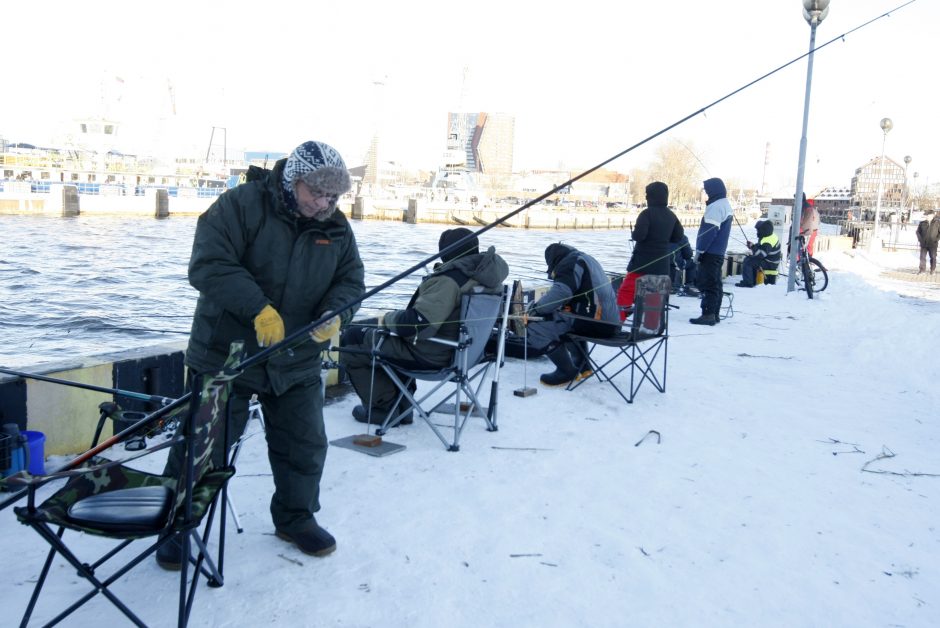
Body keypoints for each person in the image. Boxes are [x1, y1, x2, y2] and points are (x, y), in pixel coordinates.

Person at [157, 140, 365, 569]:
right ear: (294, 180)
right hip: (227, 356)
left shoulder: (337, 226)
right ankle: (177, 523)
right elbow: (209, 264)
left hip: (298, 357)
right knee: (202, 446)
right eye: (317, 193)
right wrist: (258, 308)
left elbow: (351, 280)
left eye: (333, 195)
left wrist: (336, 313)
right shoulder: (240, 205)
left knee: (305, 444)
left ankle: (295, 518)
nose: (324, 203)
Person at [340, 228, 509, 425]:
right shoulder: (489, 279)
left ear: (445, 252)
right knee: (389, 336)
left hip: (434, 357)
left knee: (353, 339)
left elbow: (418, 326)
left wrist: (386, 319)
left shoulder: (450, 280)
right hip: (467, 355)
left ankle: (383, 409)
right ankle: (402, 406)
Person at [526, 243, 620, 386]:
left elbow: (562, 292)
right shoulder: (586, 259)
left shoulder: (569, 263)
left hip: (595, 322)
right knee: (566, 316)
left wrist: (537, 308)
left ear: (553, 260)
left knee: (534, 323)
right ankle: (583, 366)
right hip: (611, 323)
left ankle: (566, 371)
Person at [616, 182, 684, 320]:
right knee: (654, 296)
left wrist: (634, 233)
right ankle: (651, 325)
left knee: (627, 291)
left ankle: (618, 320)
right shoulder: (671, 215)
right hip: (661, 264)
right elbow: (678, 236)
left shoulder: (646, 214)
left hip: (641, 263)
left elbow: (639, 236)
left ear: (650, 197)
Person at [691, 177, 733, 326]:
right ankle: (714, 313)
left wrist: (700, 251)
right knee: (716, 283)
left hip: (710, 252)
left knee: (708, 283)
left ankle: (708, 314)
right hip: (719, 252)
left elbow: (709, 232)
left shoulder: (715, 207)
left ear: (713, 190)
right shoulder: (725, 204)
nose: (706, 193)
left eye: (707, 190)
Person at [735, 219, 781, 287]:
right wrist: (753, 246)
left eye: (758, 230)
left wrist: (753, 247)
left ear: (763, 230)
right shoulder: (771, 236)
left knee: (748, 262)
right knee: (750, 259)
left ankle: (748, 283)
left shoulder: (768, 242)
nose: (757, 232)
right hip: (771, 260)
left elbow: (761, 254)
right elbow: (761, 247)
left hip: (770, 263)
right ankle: (752, 281)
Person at [916, 209, 940, 274]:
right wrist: (920, 239)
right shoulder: (922, 223)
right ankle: (922, 270)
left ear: (932, 215)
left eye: (927, 215)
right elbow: (918, 232)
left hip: (933, 244)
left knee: (933, 257)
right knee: (922, 257)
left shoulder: (937, 223)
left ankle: (932, 270)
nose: (926, 217)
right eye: (926, 215)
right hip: (924, 244)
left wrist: (936, 239)